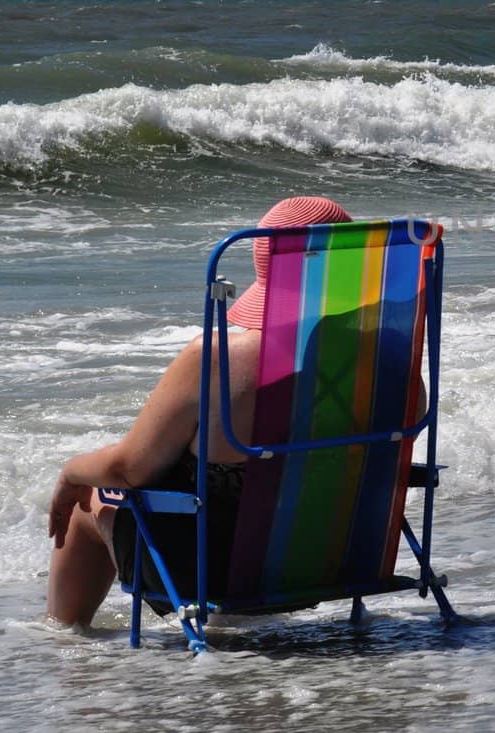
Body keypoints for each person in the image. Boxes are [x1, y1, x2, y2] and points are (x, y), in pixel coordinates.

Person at [45, 196, 353, 626]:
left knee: (90, 500)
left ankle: (64, 639)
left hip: (211, 577)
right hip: (334, 564)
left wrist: (70, 473)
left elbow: (127, 470)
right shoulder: (391, 364)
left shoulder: (221, 360)